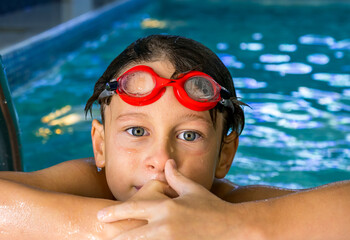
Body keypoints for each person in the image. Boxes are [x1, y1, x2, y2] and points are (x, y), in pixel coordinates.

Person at [0, 34, 349, 240]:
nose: (161, 159)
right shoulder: (89, 185)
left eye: (189, 135)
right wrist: (122, 230)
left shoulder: (232, 207)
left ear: (224, 155)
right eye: (137, 131)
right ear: (101, 145)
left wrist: (231, 227)